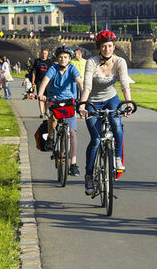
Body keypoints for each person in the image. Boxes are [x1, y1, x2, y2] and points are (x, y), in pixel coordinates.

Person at [78, 30, 134, 195]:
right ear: (99, 47)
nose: (107, 49)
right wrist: (82, 104)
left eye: (110, 46)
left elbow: (124, 83)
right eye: (103, 46)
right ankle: (89, 175)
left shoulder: (120, 61)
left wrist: (128, 101)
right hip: (93, 101)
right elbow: (87, 85)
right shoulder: (92, 62)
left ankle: (117, 158)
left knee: (116, 125)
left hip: (111, 99)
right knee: (95, 140)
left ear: (113, 47)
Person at [37, 46, 84, 177]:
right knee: (53, 117)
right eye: (61, 57)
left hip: (69, 101)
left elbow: (79, 82)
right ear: (57, 59)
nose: (63, 59)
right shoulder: (53, 68)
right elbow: (45, 80)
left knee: (72, 133)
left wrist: (83, 96)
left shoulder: (72, 69)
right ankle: (51, 138)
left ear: (69, 59)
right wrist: (41, 94)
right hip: (54, 98)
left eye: (65, 57)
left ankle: (73, 164)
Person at [28, 48, 53, 119]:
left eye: (45, 53)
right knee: (40, 97)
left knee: (47, 98)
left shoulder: (50, 62)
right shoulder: (37, 61)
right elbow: (34, 72)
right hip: (39, 81)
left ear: (47, 54)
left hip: (48, 82)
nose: (43, 55)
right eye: (42, 53)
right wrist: (33, 82)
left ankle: (46, 111)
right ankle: (41, 112)